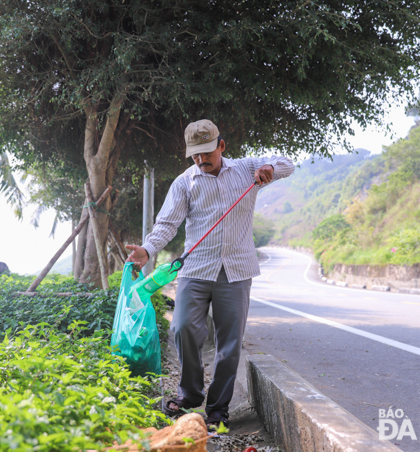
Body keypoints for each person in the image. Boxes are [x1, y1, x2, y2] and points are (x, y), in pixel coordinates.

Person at [125, 119, 294, 428]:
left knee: (230, 344)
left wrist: (269, 167)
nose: (202, 161)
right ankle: (190, 394)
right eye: (195, 156)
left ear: (221, 146)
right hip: (196, 270)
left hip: (237, 270)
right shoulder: (185, 182)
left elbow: (287, 164)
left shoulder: (246, 169)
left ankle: (218, 408)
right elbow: (166, 224)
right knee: (182, 327)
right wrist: (147, 250)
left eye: (207, 154)